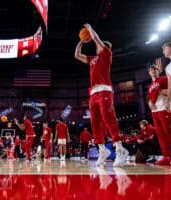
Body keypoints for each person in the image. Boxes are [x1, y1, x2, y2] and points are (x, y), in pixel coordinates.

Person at [74, 23, 128, 167]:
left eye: (98, 45)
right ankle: (102, 150)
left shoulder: (106, 54)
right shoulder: (93, 59)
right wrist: (81, 41)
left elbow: (97, 39)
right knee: (95, 122)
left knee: (107, 117)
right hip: (94, 93)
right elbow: (76, 55)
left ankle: (120, 149)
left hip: (105, 90)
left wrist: (90, 29)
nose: (96, 46)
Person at [147, 65, 171, 165]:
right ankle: (167, 157)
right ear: (149, 73)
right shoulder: (150, 86)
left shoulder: (164, 79)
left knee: (170, 132)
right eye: (151, 70)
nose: (153, 70)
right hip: (155, 111)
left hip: (165, 108)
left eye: (155, 69)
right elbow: (150, 99)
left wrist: (164, 95)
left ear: (159, 71)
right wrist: (150, 103)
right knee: (160, 135)